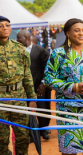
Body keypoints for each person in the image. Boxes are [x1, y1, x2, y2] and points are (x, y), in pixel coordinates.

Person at [44, 18, 83, 155]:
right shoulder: (58, 54)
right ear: (67, 33)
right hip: (67, 109)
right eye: (77, 30)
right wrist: (73, 86)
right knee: (69, 150)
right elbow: (48, 79)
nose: (81, 33)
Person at [0, 16, 37, 155]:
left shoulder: (20, 49)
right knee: (1, 138)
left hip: (19, 98)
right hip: (0, 99)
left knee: (22, 136)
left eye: (7, 25)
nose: (5, 28)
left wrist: (32, 99)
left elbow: (27, 75)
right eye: (1, 26)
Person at [17, 30, 51, 140]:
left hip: (38, 86)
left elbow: (46, 68)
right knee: (26, 111)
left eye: (19, 38)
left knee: (42, 109)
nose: (17, 40)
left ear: (27, 37)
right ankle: (31, 133)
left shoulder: (40, 50)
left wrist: (43, 83)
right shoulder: (17, 51)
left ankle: (43, 130)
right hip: (23, 87)